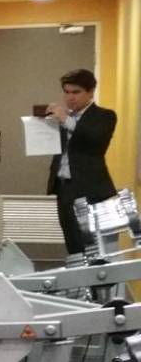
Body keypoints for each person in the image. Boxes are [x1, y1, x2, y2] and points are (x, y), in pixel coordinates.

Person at [44, 67, 118, 256]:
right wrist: (44, 125)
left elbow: (95, 141)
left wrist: (66, 120)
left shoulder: (105, 116)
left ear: (91, 92)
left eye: (76, 92)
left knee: (93, 246)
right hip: (64, 188)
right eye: (67, 92)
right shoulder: (62, 118)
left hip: (90, 189)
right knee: (73, 243)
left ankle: (95, 276)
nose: (70, 97)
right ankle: (77, 274)